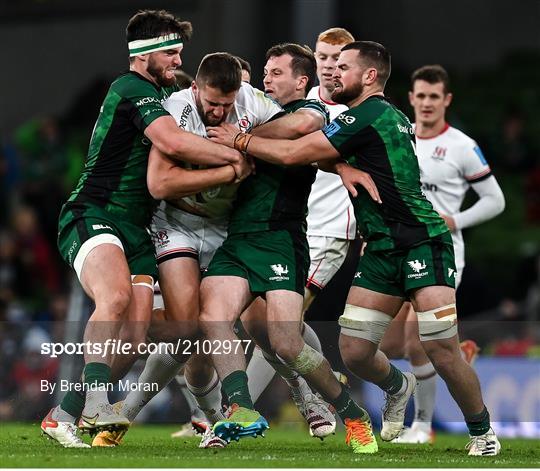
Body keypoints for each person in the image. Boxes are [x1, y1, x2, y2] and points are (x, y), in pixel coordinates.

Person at [208, 41, 501, 457]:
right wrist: (342, 165)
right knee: (355, 351)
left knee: (440, 347)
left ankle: (483, 432)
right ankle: (399, 386)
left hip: (422, 241)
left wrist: (238, 139)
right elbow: (322, 152)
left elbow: (295, 152)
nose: (333, 73)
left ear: (368, 76)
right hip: (380, 248)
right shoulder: (374, 118)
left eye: (342, 67)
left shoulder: (369, 114)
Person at [40, 10, 244, 449]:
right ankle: (97, 402)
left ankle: (62, 415)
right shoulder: (131, 88)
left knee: (134, 338)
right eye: (170, 52)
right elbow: (171, 141)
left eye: (178, 53)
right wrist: (235, 158)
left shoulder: (164, 88)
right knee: (112, 298)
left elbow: (198, 89)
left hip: (137, 229)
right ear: (143, 53)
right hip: (95, 212)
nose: (176, 60)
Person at [201, 43, 379, 455]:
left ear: (303, 81)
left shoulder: (314, 113)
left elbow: (300, 128)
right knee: (213, 318)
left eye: (277, 72)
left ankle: (351, 413)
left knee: (286, 342)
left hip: (282, 240)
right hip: (239, 238)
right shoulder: (254, 112)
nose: (267, 77)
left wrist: (240, 140)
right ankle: (240, 410)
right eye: (265, 70)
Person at [381, 64, 505, 444]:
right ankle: (458, 352)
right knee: (384, 345)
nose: (426, 103)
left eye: (434, 96)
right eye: (420, 95)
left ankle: (422, 427)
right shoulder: (399, 138)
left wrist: (455, 220)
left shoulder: (462, 146)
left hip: (443, 252)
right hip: (397, 248)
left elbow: (495, 200)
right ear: (411, 99)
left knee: (419, 341)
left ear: (446, 100)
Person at [244, 28, 357, 437]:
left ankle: (238, 410)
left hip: (329, 232)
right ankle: (323, 387)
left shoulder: (361, 109)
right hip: (283, 226)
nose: (329, 65)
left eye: (337, 59)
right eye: (323, 57)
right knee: (262, 324)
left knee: (279, 326)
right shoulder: (295, 104)